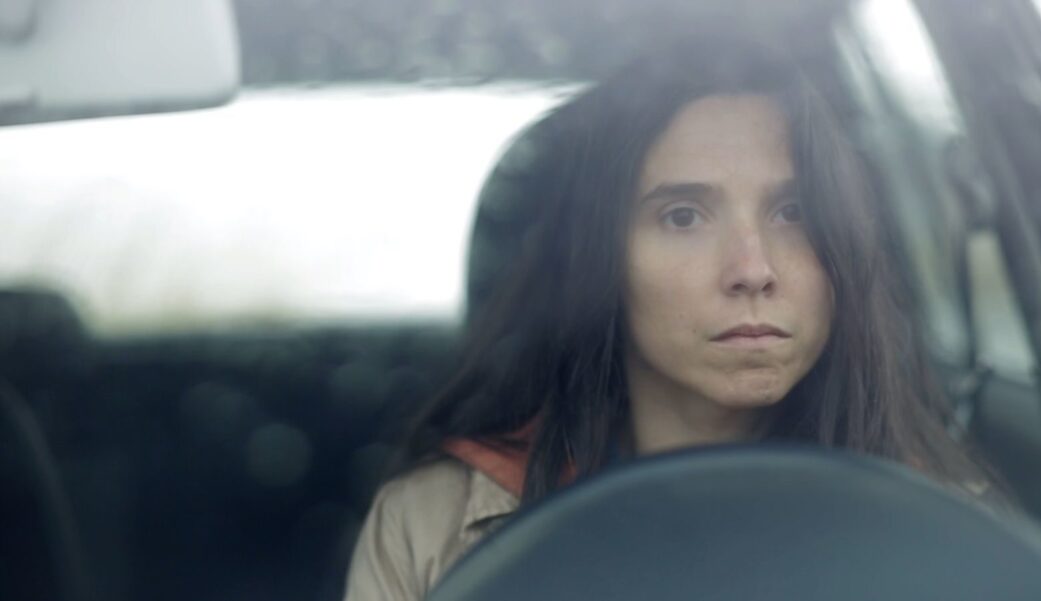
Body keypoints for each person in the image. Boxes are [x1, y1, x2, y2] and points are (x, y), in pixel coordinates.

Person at [343, 39, 1002, 601]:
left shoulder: (948, 527)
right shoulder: (437, 528)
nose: (752, 268)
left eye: (793, 212)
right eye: (683, 216)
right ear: (602, 262)